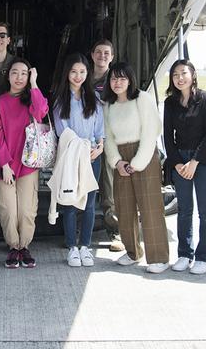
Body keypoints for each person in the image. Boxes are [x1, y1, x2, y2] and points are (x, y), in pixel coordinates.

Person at [102, 62, 170, 273]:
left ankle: (159, 257)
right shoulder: (108, 105)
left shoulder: (142, 98)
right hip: (121, 157)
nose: (118, 83)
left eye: (122, 78)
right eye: (114, 78)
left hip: (145, 154)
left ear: (130, 80)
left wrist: (137, 163)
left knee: (150, 207)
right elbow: (108, 138)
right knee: (124, 207)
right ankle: (133, 252)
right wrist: (117, 162)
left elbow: (151, 131)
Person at [163, 59, 206, 275]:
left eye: (183, 73)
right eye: (175, 74)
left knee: (205, 211)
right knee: (184, 210)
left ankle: (203, 257)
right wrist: (177, 163)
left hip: (203, 160)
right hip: (180, 161)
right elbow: (168, 136)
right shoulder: (170, 103)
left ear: (193, 74)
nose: (179, 78)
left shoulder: (205, 99)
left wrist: (194, 162)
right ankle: (185, 254)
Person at [0, 58, 47, 269]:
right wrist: (4, 164)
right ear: (8, 75)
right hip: (5, 164)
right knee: (8, 210)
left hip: (28, 165)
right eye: (15, 72)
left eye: (24, 73)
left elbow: (41, 112)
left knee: (27, 210)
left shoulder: (32, 100)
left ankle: (24, 247)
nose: (19, 77)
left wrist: (34, 84)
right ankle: (13, 247)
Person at [52, 54, 104, 268]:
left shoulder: (94, 99)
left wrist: (99, 147)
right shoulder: (60, 100)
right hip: (71, 156)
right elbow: (62, 130)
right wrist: (80, 149)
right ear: (67, 73)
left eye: (82, 72)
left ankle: (85, 247)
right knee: (71, 202)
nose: (78, 76)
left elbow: (100, 128)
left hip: (92, 156)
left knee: (90, 203)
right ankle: (72, 247)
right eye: (74, 72)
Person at [90, 39, 123, 252]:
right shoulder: (83, 76)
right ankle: (79, 230)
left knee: (110, 186)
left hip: (110, 140)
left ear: (112, 57)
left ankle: (116, 231)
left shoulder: (116, 79)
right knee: (84, 184)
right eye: (99, 52)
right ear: (92, 55)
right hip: (89, 139)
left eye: (107, 53)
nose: (102, 56)